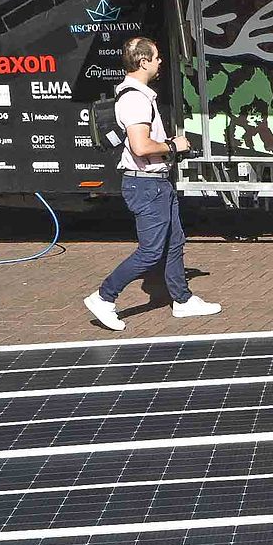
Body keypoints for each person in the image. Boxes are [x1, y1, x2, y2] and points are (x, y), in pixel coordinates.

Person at [83, 36, 220, 331]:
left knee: (174, 242)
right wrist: (174, 145)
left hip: (156, 183)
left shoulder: (140, 95)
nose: (160, 62)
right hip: (146, 186)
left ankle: (182, 301)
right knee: (150, 251)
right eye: (156, 58)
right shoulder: (134, 99)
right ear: (143, 62)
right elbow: (141, 146)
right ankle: (104, 297)